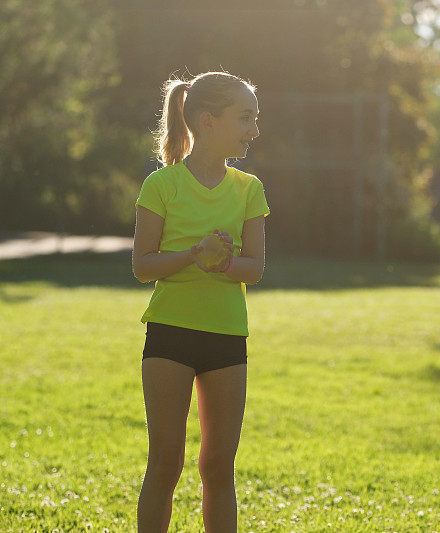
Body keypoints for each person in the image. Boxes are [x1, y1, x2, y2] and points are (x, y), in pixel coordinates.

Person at [131, 71, 268, 532]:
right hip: (170, 334)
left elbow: (255, 267)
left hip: (227, 338)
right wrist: (192, 255)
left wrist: (223, 266)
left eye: (255, 118)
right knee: (166, 462)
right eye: (245, 118)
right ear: (208, 121)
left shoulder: (249, 189)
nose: (254, 129)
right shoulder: (162, 186)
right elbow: (144, 265)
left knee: (217, 468)